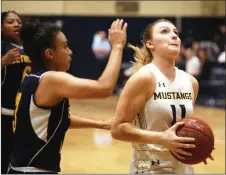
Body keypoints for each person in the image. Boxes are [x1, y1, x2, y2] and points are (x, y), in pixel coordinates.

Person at [7, 19, 127, 174]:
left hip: (21, 167)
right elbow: (104, 89)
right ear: (50, 53)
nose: (70, 51)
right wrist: (117, 47)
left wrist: (99, 124)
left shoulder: (32, 77)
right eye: (65, 46)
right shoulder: (51, 79)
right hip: (33, 170)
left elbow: (57, 119)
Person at [111, 19, 214, 174]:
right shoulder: (144, 78)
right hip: (151, 168)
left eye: (176, 33)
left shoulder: (191, 82)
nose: (173, 36)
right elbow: (118, 129)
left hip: (184, 169)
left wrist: (198, 146)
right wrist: (161, 138)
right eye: (165, 31)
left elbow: (183, 126)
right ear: (150, 44)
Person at [1, 11, 32, 174]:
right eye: (10, 22)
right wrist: (2, 62)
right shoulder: (2, 47)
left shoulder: (30, 47)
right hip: (4, 115)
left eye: (19, 21)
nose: (16, 24)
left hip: (25, 115)